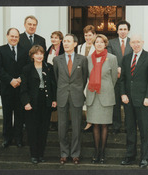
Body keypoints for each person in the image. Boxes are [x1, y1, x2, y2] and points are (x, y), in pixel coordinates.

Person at [120, 34, 148, 168]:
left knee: (144, 130)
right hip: (128, 101)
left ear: (143, 43)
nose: (136, 44)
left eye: (138, 42)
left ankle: (144, 158)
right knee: (130, 129)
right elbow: (122, 78)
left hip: (143, 101)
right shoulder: (126, 58)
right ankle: (130, 156)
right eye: (134, 42)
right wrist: (123, 94)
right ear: (130, 44)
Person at [53, 34, 88, 165]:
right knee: (62, 126)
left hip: (76, 96)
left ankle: (75, 154)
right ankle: (63, 153)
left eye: (68, 41)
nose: (65, 44)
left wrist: (78, 90)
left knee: (77, 126)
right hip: (62, 95)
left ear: (75, 44)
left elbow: (84, 78)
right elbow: (56, 78)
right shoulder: (57, 60)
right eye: (64, 42)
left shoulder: (82, 59)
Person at [20, 45, 57, 164]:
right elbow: (23, 88)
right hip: (32, 103)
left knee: (43, 130)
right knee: (32, 129)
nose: (39, 56)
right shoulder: (26, 69)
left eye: (41, 53)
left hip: (45, 102)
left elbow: (53, 85)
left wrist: (54, 99)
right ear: (32, 55)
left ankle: (41, 154)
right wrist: (26, 102)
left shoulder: (49, 67)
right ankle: (34, 155)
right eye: (37, 54)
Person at [0, 28, 29, 148]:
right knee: (7, 115)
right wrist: (10, 80)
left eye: (16, 37)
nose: (14, 39)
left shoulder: (25, 51)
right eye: (12, 36)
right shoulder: (0, 50)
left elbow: (27, 68)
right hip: (6, 88)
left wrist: (19, 79)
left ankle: (19, 139)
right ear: (7, 36)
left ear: (19, 38)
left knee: (20, 115)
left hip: (20, 88)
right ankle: (7, 138)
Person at [86, 34, 118, 164]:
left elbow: (114, 77)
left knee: (104, 125)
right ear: (93, 44)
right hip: (93, 96)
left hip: (106, 95)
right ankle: (96, 152)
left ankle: (103, 153)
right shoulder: (88, 59)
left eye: (101, 42)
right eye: (96, 42)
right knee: (95, 124)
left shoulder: (112, 58)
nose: (99, 44)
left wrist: (106, 88)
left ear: (105, 44)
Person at [107, 20, 133, 134]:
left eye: (125, 29)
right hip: (115, 77)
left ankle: (129, 126)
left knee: (129, 103)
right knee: (116, 103)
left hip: (129, 78)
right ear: (117, 31)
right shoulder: (111, 43)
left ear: (128, 31)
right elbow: (109, 57)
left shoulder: (133, 42)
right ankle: (116, 126)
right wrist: (117, 68)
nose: (123, 31)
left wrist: (126, 70)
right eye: (120, 29)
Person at [44, 31, 64, 131]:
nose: (54, 40)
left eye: (56, 38)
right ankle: (50, 121)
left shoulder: (63, 49)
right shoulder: (49, 49)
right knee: (51, 97)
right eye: (52, 37)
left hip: (59, 77)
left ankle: (57, 122)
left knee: (57, 98)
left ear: (60, 39)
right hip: (50, 76)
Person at [77, 25, 96, 130]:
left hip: (92, 77)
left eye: (90, 35)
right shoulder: (79, 47)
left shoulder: (97, 46)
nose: (88, 38)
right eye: (86, 35)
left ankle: (91, 121)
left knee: (91, 100)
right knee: (83, 99)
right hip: (81, 77)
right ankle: (84, 120)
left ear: (94, 35)